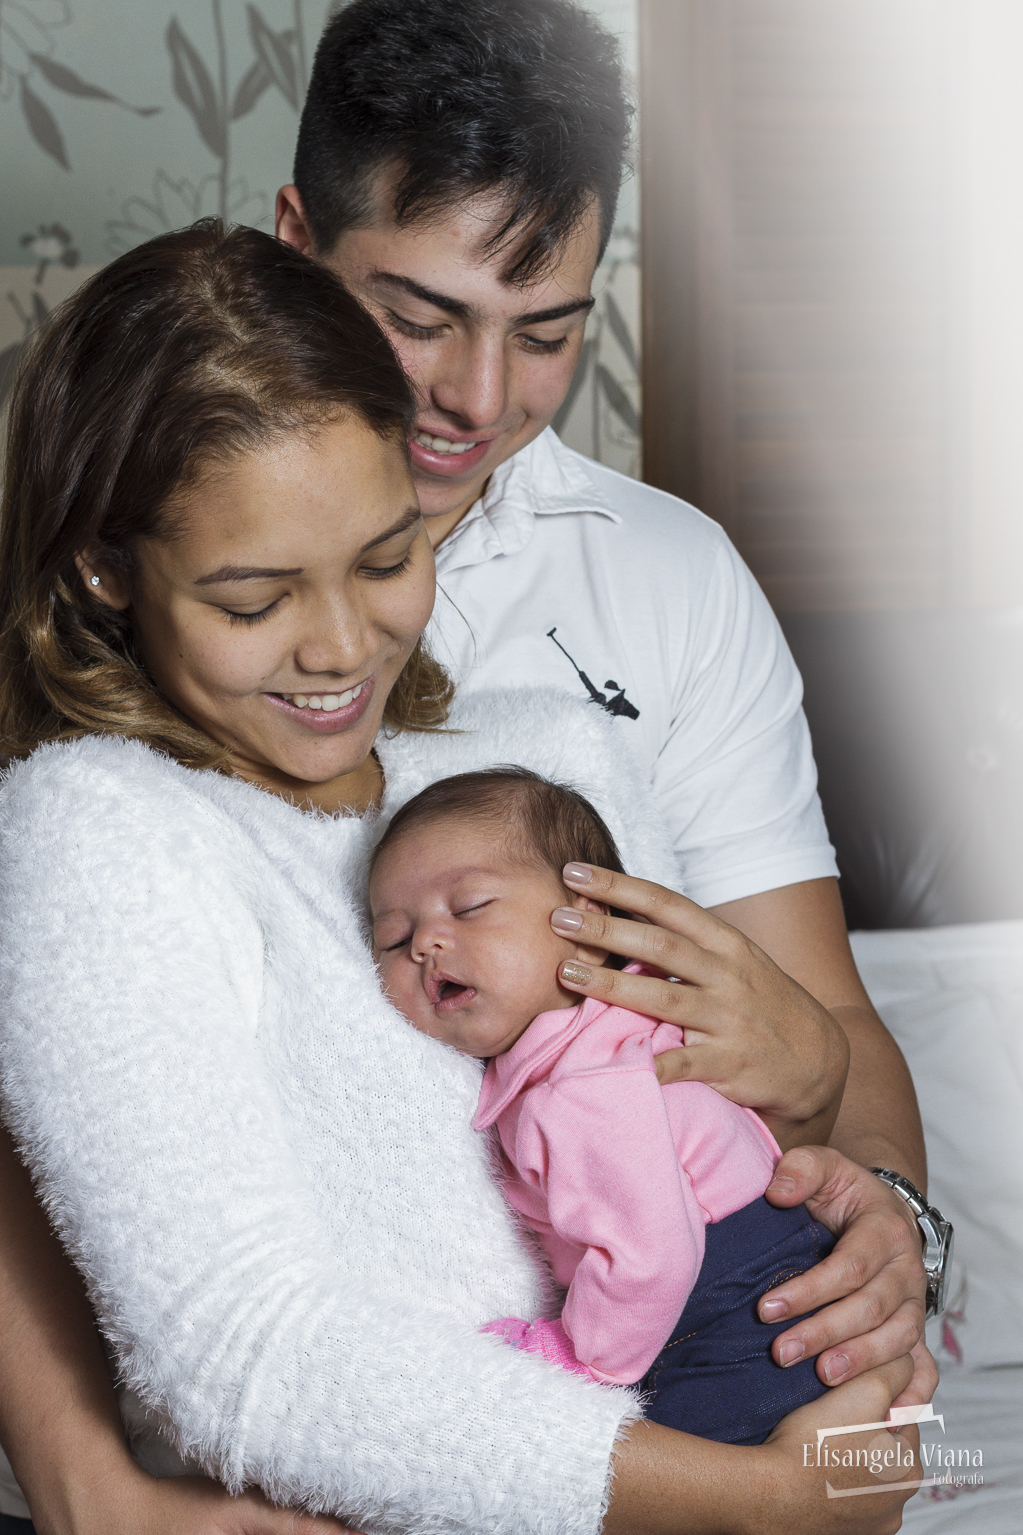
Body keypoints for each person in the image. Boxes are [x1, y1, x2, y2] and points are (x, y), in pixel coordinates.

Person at [0, 222, 919, 1535]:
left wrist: (874, 1294)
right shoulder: (100, 829)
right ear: (105, 567)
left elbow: (735, 1188)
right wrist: (758, 1498)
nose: (337, 646)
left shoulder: (545, 759)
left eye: (384, 559)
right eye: (253, 597)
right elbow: (244, 1356)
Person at [276, 0, 935, 1404]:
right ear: (293, 245)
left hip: (626, 1394)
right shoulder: (125, 563)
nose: (475, 395)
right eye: (416, 317)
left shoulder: (670, 580)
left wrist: (887, 1219)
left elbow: (827, 1029)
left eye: (546, 331)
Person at [368, 766, 835, 1442]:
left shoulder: (581, 1085)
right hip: (751, 1278)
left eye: (468, 906)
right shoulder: (604, 1028)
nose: (425, 942)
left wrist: (577, 1362)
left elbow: (651, 1255)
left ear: (584, 926)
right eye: (392, 938)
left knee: (682, 1482)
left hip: (735, 1305)